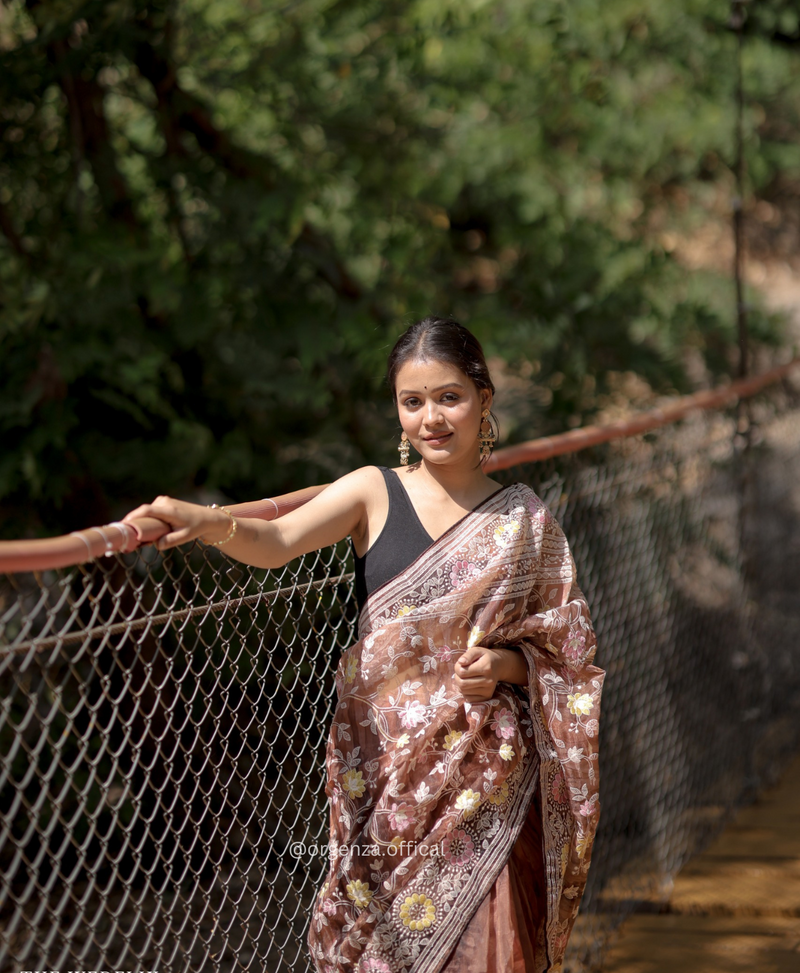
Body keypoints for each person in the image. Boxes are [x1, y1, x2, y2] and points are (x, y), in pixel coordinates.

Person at [124, 317, 604, 973]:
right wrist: (209, 521)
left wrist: (502, 665)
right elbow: (276, 543)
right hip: (384, 777)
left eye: (449, 397)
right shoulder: (373, 490)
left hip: (484, 785)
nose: (431, 417)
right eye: (413, 401)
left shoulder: (524, 520)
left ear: (484, 399)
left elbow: (568, 655)